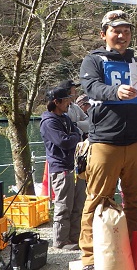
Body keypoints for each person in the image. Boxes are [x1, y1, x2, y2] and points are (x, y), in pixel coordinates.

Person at [79, 9, 137, 270]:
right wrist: (116, 91)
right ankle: (91, 258)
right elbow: (92, 89)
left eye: (126, 31)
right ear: (104, 34)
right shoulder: (93, 61)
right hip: (104, 143)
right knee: (98, 200)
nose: (122, 35)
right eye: (116, 31)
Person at [40, 87, 85, 250]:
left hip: (74, 166)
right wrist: (74, 136)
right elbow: (64, 141)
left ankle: (74, 236)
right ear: (56, 102)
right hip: (60, 168)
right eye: (65, 100)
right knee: (63, 206)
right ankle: (60, 240)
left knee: (78, 204)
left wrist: (74, 136)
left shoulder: (65, 118)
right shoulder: (49, 122)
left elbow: (75, 135)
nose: (69, 103)